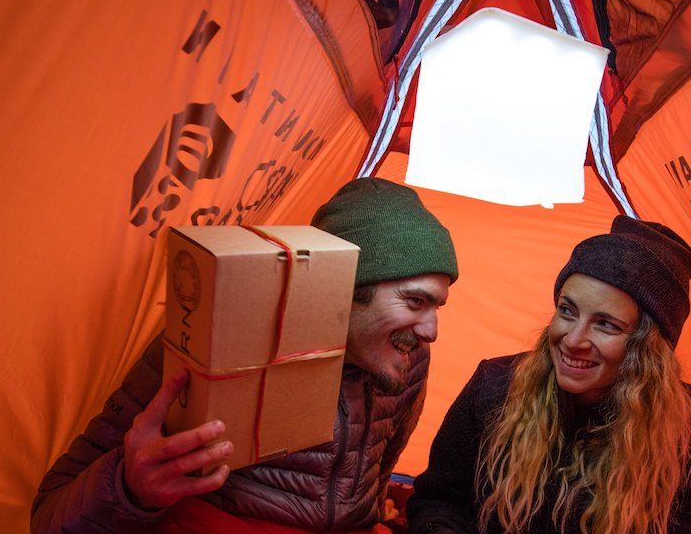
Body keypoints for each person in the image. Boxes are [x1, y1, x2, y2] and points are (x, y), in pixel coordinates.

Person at [31, 178, 459, 533]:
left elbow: (380, 473)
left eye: (438, 306)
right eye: (415, 301)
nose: (432, 331)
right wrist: (130, 486)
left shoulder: (407, 358)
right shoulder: (215, 339)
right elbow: (50, 516)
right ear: (347, 288)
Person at [407, 216, 691, 534]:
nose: (573, 340)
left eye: (606, 324)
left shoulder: (689, 433)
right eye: (567, 310)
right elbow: (439, 501)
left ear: (647, 349)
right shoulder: (496, 387)